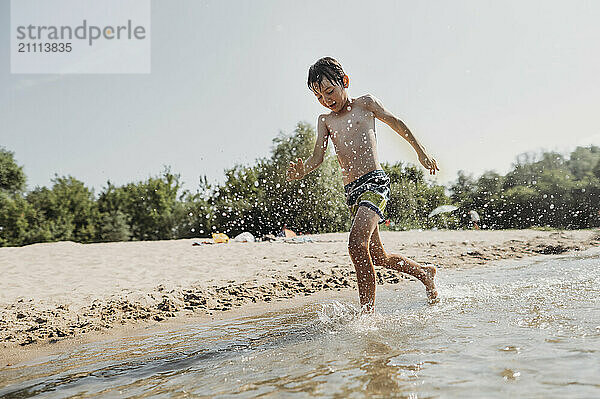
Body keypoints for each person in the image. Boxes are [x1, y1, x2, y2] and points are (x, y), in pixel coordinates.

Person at [286, 57, 440, 312]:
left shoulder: (365, 104)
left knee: (356, 245)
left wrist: (420, 151)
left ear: (344, 82)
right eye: (319, 96)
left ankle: (366, 315)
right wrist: (303, 170)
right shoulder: (325, 121)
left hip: (374, 183)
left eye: (330, 91)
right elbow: (317, 157)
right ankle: (424, 274)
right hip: (352, 192)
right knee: (379, 257)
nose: (327, 100)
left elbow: (397, 123)